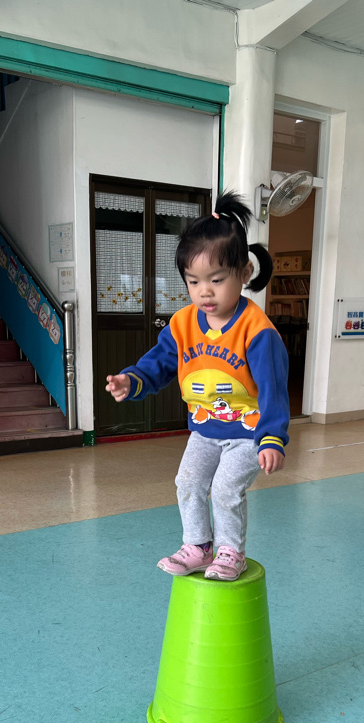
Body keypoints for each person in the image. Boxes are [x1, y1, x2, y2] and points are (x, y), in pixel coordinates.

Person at [106, 191, 290, 580]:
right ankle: (199, 546)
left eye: (216, 280)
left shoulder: (257, 331)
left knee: (225, 489)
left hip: (247, 433)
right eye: (193, 281)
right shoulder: (183, 324)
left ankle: (230, 552)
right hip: (205, 430)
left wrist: (272, 438)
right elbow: (159, 363)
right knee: (188, 482)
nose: (204, 291)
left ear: (245, 273)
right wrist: (131, 380)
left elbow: (274, 389)